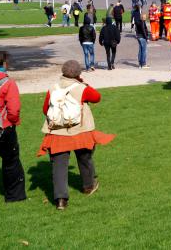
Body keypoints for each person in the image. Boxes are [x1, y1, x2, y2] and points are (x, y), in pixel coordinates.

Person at [37, 60, 115, 210]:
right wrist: (83, 83)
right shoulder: (81, 88)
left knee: (59, 166)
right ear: (78, 74)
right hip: (80, 130)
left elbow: (45, 109)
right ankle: (88, 186)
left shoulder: (53, 88)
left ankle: (61, 200)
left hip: (57, 133)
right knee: (84, 157)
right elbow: (97, 97)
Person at [0, 51, 26, 202]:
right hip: (3, 127)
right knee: (11, 161)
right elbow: (14, 109)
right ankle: (14, 196)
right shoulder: (8, 83)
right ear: (4, 64)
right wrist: (12, 122)